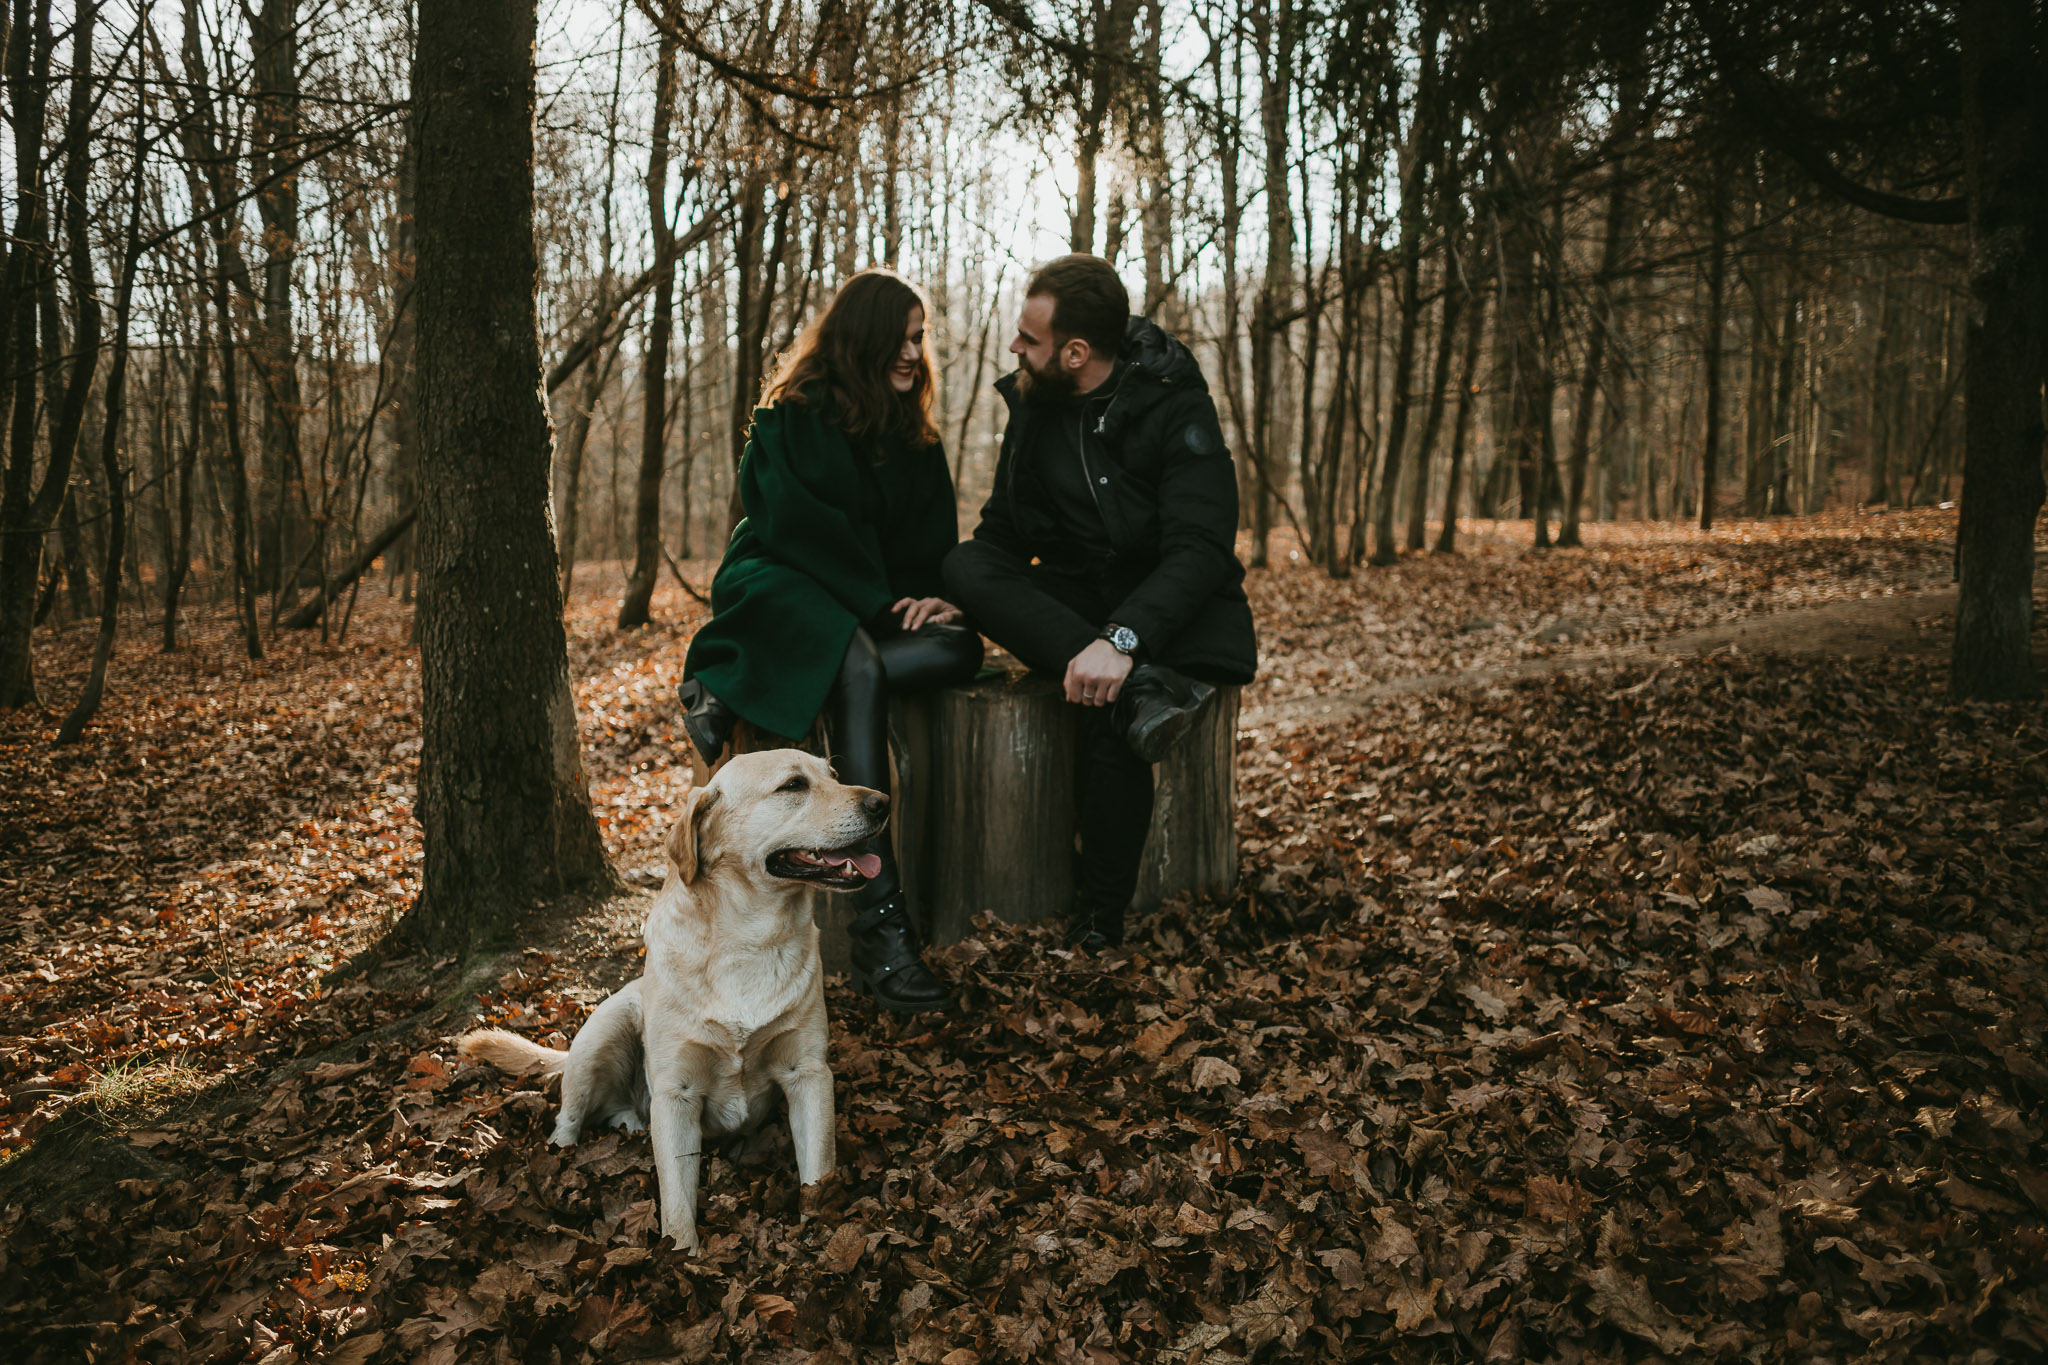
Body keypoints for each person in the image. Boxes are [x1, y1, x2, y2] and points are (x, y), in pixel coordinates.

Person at [677, 269, 981, 1013]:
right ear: (863, 338)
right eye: (901, 338)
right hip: (779, 583)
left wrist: (929, 596)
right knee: (858, 662)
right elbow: (797, 532)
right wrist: (876, 607)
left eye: (920, 338)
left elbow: (929, 544)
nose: (913, 352)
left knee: (960, 647)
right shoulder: (792, 416)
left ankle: (733, 683)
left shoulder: (914, 435)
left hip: (860, 605)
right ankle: (881, 928)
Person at [943, 254, 1257, 952]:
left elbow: (1202, 549)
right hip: (1080, 603)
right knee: (963, 565)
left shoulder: (1175, 403)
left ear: (1076, 352)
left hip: (1171, 607)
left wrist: (1121, 640)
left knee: (1107, 702)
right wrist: (964, 598)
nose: (1015, 347)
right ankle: (1137, 688)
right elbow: (1001, 534)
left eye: (1029, 338)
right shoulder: (1033, 404)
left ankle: (1098, 920)